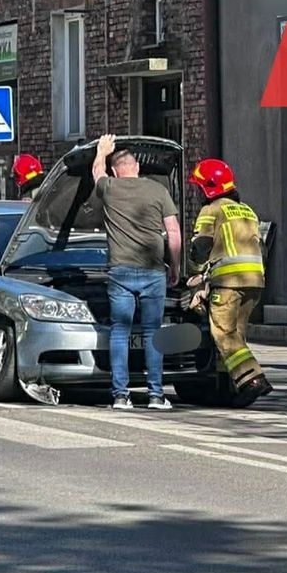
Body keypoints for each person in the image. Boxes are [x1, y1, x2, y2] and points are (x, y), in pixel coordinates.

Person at [92, 134, 181, 410]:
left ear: (116, 171)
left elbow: (96, 172)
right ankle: (156, 395)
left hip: (120, 271)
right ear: (137, 168)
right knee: (154, 332)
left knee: (120, 331)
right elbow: (174, 231)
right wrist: (175, 265)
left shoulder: (110, 188)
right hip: (153, 271)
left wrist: (101, 151)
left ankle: (121, 396)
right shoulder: (158, 191)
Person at [187, 158, 273, 407]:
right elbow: (263, 249)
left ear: (208, 187)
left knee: (222, 332)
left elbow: (201, 247)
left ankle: (253, 379)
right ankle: (230, 389)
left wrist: (196, 272)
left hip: (228, 281)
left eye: (200, 187)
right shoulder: (247, 210)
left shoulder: (211, 210)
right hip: (254, 282)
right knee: (236, 336)